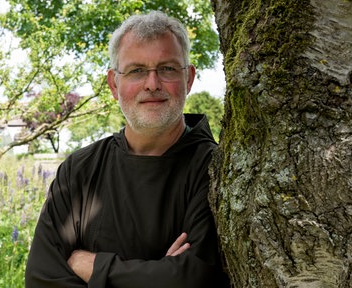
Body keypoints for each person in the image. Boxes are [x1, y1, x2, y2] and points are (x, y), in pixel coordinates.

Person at [25, 11, 229, 287]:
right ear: (113, 84)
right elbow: (43, 279)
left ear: (189, 78)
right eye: (136, 71)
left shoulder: (216, 170)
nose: (152, 83)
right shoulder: (79, 172)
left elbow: (193, 279)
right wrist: (157, 274)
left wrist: (97, 268)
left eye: (167, 68)